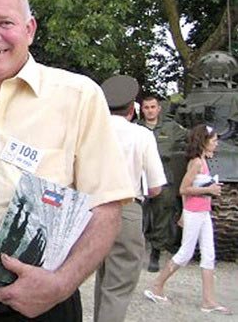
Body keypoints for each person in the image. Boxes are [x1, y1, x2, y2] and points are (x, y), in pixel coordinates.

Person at [0, 0, 134, 321]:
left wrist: (62, 283)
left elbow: (107, 207)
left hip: (42, 310)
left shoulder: (77, 97)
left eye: (5, 22)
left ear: (30, 29)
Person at [93, 75, 167, 322]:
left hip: (90, 208)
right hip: (125, 207)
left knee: (102, 277)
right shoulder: (141, 135)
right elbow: (155, 187)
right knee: (118, 284)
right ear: (132, 109)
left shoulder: (91, 131)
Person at [145, 125, 232, 315]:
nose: (217, 143)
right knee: (185, 253)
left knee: (209, 254)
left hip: (203, 212)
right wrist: (208, 190)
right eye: (214, 140)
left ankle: (208, 301)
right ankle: (156, 286)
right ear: (204, 141)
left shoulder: (203, 161)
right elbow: (183, 189)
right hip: (195, 213)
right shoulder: (196, 163)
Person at [139, 95, 188, 272]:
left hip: (163, 174)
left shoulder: (171, 127)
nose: (150, 111)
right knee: (136, 213)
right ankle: (134, 250)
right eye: (146, 107)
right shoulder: (136, 128)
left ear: (159, 109)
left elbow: (193, 137)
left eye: (153, 107)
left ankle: (155, 252)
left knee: (162, 214)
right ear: (142, 109)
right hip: (139, 175)